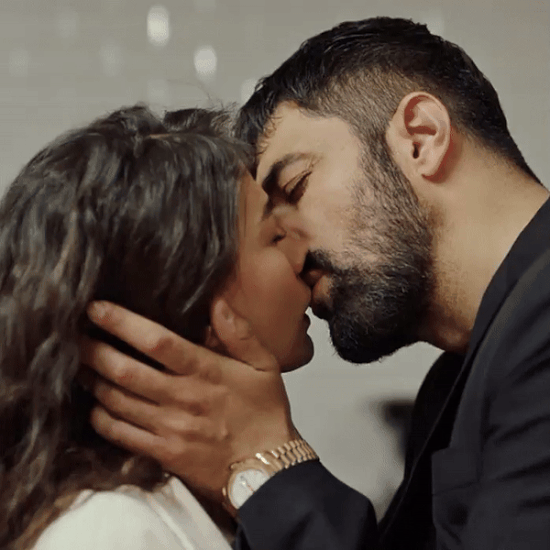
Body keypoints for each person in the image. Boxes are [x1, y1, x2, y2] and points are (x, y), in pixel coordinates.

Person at [82, 17, 550, 549]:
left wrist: (267, 462)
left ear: (421, 138)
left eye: (296, 185)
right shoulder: (453, 386)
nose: (292, 253)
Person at [0, 104, 315, 550]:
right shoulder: (112, 532)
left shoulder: (187, 504)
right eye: (275, 237)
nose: (304, 254)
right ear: (195, 301)